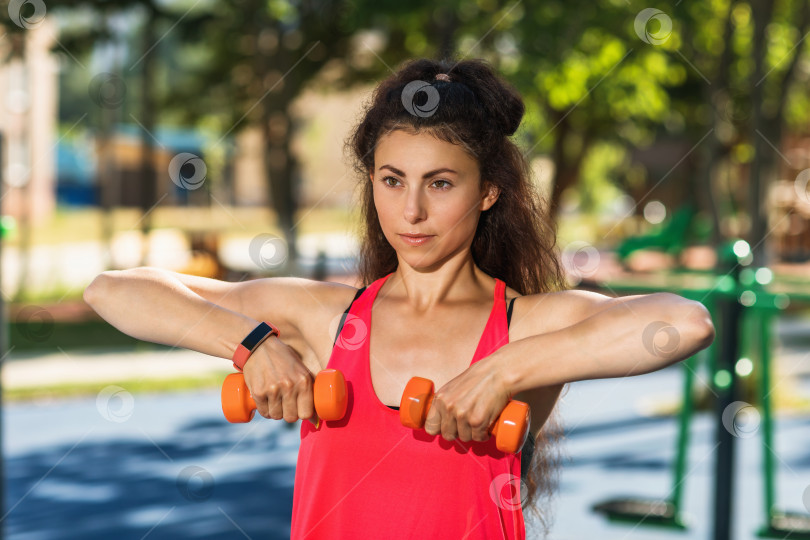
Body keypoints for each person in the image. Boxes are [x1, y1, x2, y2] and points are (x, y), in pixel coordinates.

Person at [84, 57, 716, 539]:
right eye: (392, 181)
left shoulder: (524, 325)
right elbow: (113, 290)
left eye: (440, 183)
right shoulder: (328, 318)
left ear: (488, 191)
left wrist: (501, 372)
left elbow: (684, 323)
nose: (411, 211)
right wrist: (251, 345)